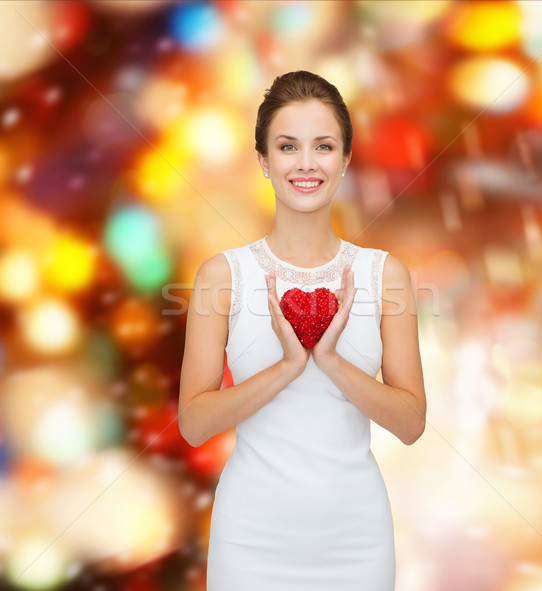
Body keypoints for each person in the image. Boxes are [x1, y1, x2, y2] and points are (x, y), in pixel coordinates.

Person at [178, 70, 427, 590]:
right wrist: (288, 367)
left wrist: (332, 362)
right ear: (265, 162)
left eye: (324, 146)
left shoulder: (385, 275)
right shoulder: (222, 276)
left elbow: (410, 423)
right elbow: (194, 424)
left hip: (356, 536)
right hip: (250, 536)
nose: (307, 163)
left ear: (345, 160)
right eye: (288, 146)